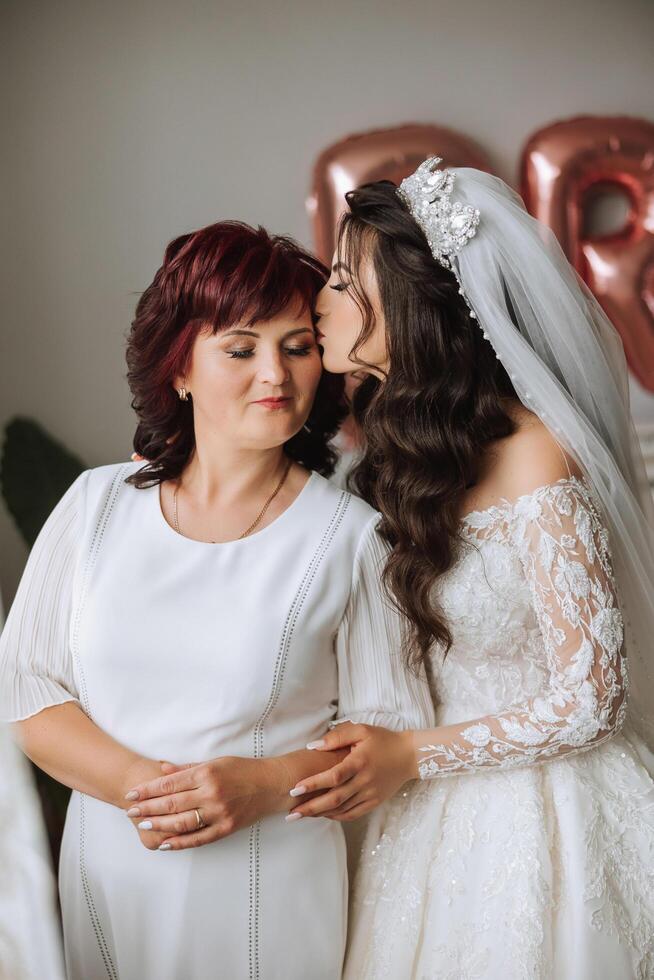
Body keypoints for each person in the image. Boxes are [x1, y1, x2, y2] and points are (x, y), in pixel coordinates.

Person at [0, 220, 434, 980]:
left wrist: (262, 787)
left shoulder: (354, 538)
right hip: (110, 875)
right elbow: (29, 690)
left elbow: (387, 740)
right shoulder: (93, 505)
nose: (276, 373)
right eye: (241, 348)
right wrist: (141, 788)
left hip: (273, 883)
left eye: (298, 347)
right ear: (180, 369)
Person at [286, 159, 654, 978]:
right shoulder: (401, 456)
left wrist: (413, 756)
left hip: (554, 811)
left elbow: (595, 693)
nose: (321, 300)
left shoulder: (537, 457)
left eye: (345, 282)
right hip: (428, 816)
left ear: (412, 306)